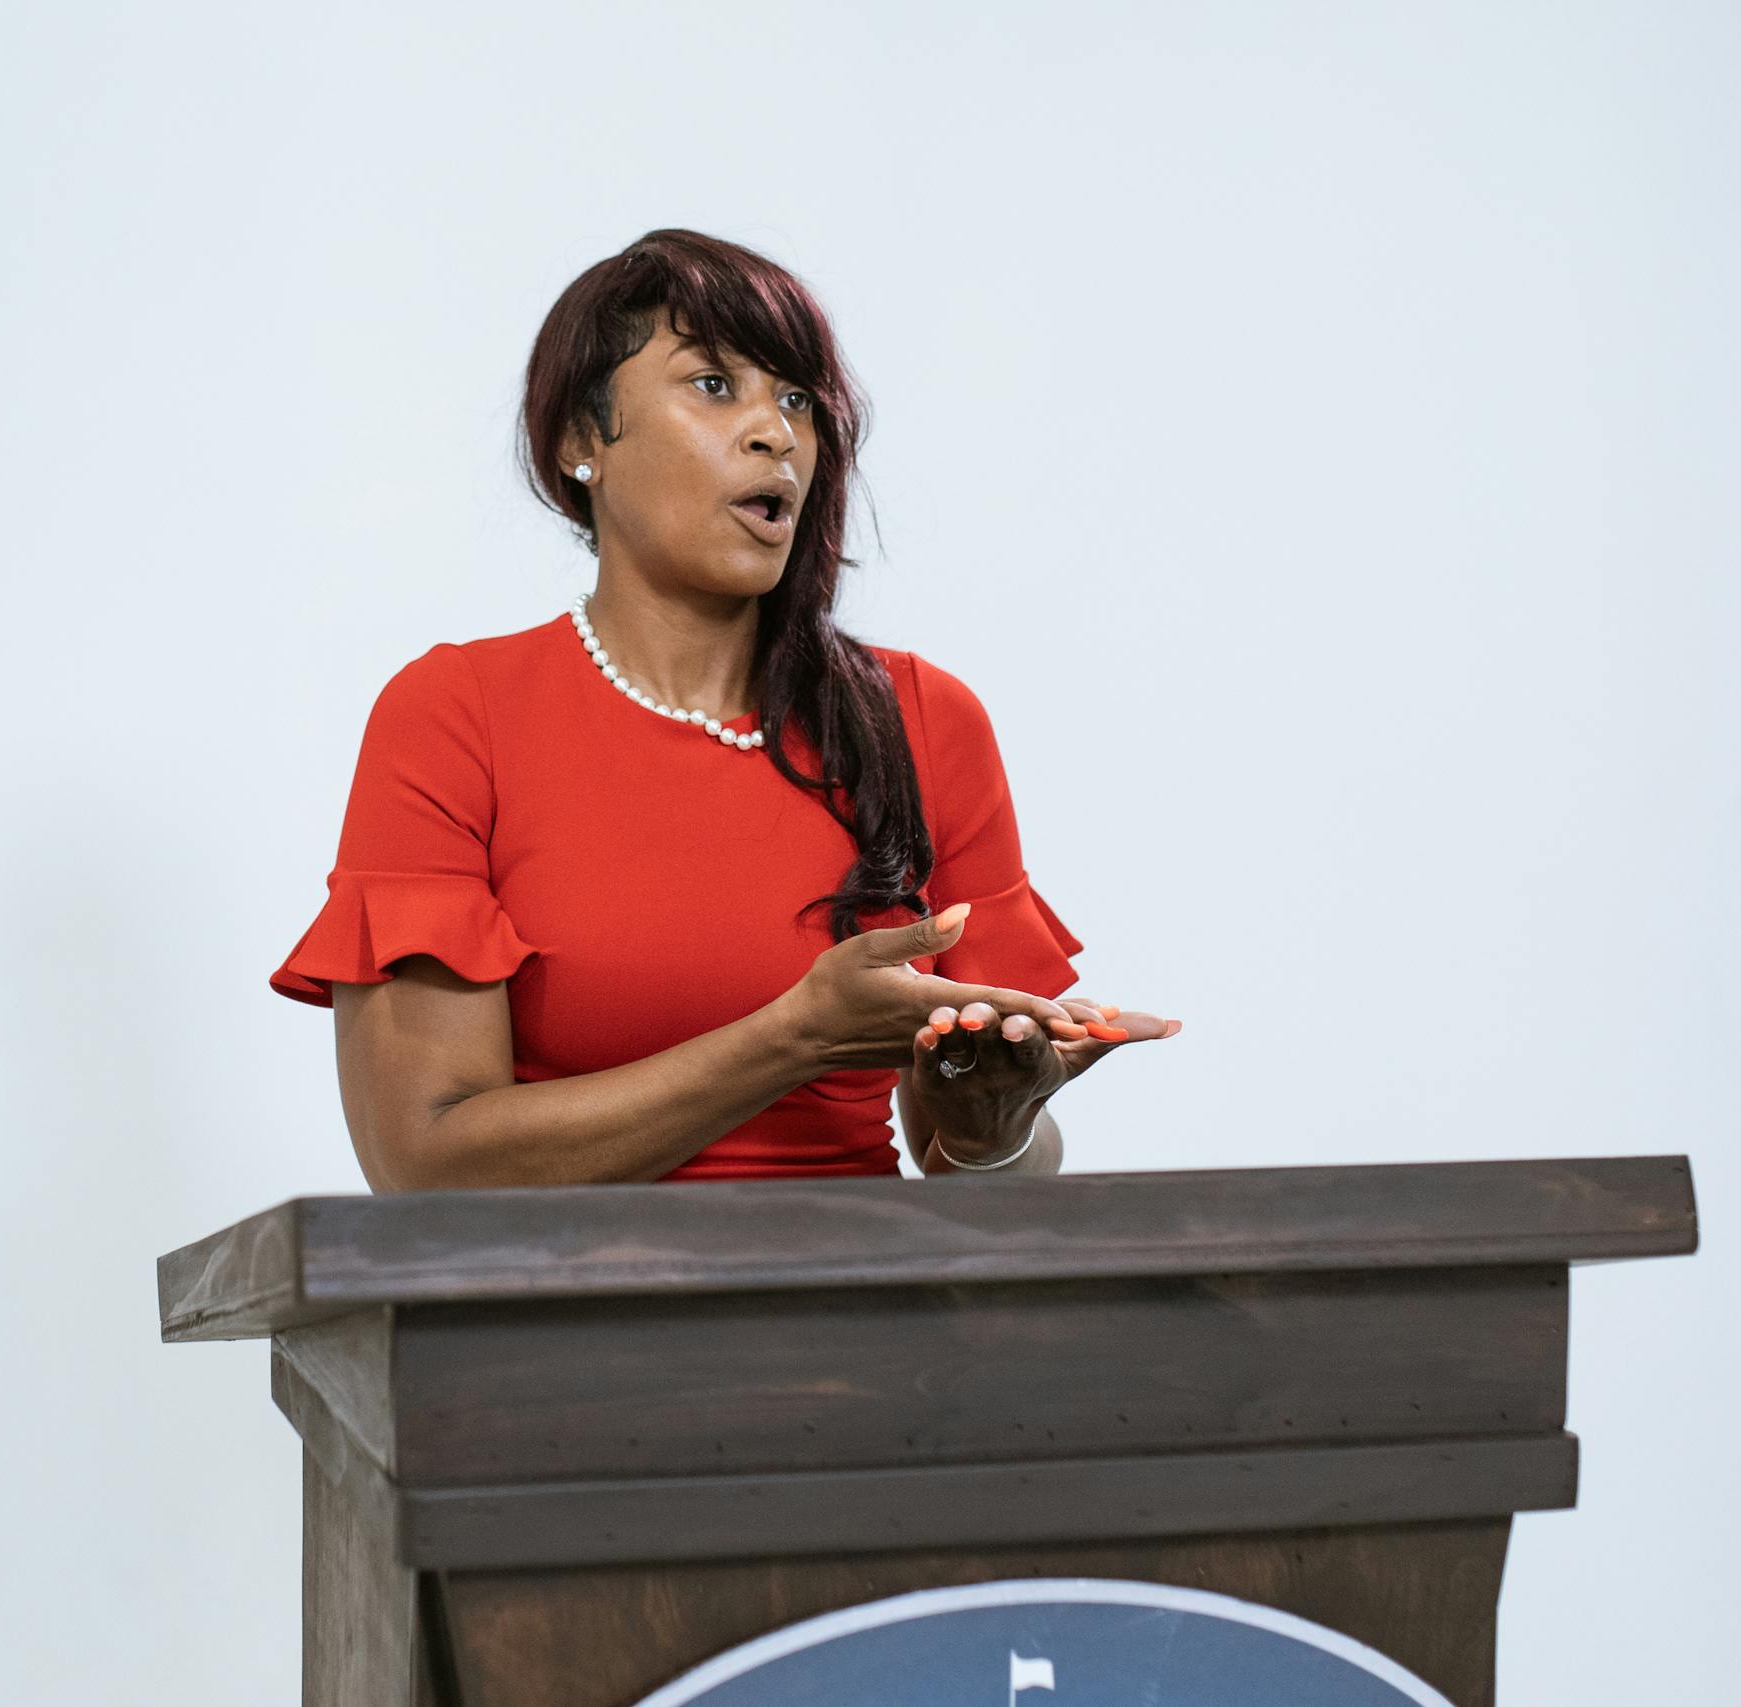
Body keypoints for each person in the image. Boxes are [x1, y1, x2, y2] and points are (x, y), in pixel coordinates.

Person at [271, 229, 1179, 1191]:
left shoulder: (923, 720)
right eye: (713, 384)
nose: (775, 433)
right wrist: (791, 1039)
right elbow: (426, 1162)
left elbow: (983, 1164)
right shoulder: (458, 715)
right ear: (583, 440)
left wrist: (993, 1128)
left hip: (864, 1317)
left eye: (797, 400)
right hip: (560, 1327)